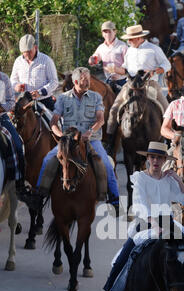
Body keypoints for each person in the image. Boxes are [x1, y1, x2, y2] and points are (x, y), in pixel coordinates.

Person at [101, 141, 184, 291]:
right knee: (125, 255)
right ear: (148, 159)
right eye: (152, 157)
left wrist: (177, 179)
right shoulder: (140, 178)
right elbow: (139, 205)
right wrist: (153, 224)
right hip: (145, 222)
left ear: (164, 160)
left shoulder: (168, 179)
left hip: (168, 222)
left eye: (160, 157)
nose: (156, 161)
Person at [29, 67, 119, 211]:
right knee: (47, 160)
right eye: (85, 80)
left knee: (106, 165)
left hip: (92, 140)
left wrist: (89, 132)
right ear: (76, 81)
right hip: (68, 141)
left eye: (89, 79)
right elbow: (54, 121)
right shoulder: (63, 98)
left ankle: (115, 200)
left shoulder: (96, 97)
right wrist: (60, 135)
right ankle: (39, 196)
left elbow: (101, 120)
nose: (88, 82)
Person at [105, 24, 170, 154]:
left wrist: (154, 71)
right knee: (114, 109)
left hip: (149, 83)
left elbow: (166, 64)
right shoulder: (130, 50)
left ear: (139, 38)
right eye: (128, 39)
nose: (128, 42)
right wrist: (114, 69)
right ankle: (109, 141)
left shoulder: (154, 49)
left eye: (131, 39)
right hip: (131, 84)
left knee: (167, 109)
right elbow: (125, 69)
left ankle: (170, 140)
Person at [0, 70, 31, 203]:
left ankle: (19, 184)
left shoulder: (4, 79)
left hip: (1, 118)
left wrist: (1, 107)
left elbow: (11, 102)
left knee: (18, 145)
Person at [10, 34, 59, 111]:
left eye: (29, 52)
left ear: (35, 47)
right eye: (24, 53)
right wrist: (16, 86)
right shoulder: (18, 61)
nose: (27, 56)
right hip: (23, 102)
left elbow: (54, 82)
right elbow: (13, 79)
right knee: (12, 119)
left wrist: (40, 92)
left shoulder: (46, 60)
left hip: (44, 100)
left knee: (54, 120)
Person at [88, 21, 128, 94]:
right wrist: (92, 60)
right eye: (105, 32)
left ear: (115, 32)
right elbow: (95, 59)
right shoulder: (101, 47)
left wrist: (117, 72)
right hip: (108, 81)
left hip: (123, 81)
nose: (107, 34)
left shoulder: (123, 46)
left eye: (109, 31)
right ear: (102, 34)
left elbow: (128, 66)